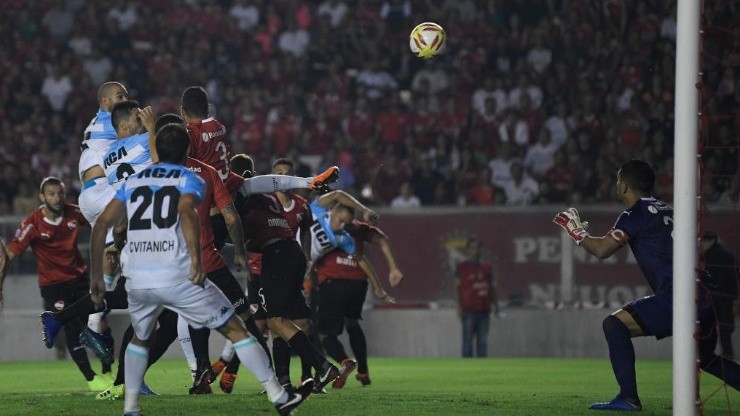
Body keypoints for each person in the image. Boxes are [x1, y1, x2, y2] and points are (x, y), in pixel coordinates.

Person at [89, 123, 313, 416]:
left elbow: (108, 224)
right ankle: (279, 396)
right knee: (236, 329)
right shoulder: (190, 176)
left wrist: (99, 274)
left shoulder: (135, 179)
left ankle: (131, 408)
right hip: (177, 274)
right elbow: (187, 214)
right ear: (186, 151)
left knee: (140, 338)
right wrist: (196, 260)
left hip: (140, 279)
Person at [553, 159, 740, 411]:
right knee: (705, 359)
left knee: (614, 324)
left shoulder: (635, 214)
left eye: (619, 181)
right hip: (706, 291)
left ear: (625, 187)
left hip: (681, 295)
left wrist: (575, 231)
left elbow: (602, 250)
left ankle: (628, 397)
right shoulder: (670, 209)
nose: (617, 185)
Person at [0, 177, 110, 391]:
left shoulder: (74, 212)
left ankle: (105, 366)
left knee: (91, 323)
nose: (57, 198)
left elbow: (101, 223)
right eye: (51, 194)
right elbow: (10, 256)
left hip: (79, 279)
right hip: (53, 285)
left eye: (60, 193)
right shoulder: (32, 223)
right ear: (42, 197)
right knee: (72, 327)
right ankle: (92, 379)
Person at [314, 220, 403, 387]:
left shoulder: (323, 224)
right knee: (352, 323)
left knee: (324, 334)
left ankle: (344, 361)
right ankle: (363, 372)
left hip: (333, 280)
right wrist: (393, 268)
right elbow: (382, 239)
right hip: (358, 281)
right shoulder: (359, 227)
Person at [454, 238, 499, 358]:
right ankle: (467, 370)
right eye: (472, 248)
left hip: (484, 309)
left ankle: (482, 370)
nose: (475, 250)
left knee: (482, 342)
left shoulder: (486, 267)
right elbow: (457, 288)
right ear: (468, 250)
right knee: (467, 342)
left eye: (477, 247)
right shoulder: (462, 267)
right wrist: (459, 307)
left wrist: (496, 305)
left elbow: (491, 287)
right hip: (469, 310)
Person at [701, 232, 739, 359]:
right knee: (725, 329)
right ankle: (727, 356)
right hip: (726, 297)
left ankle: (707, 355)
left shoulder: (710, 256)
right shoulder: (726, 254)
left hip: (714, 297)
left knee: (710, 327)